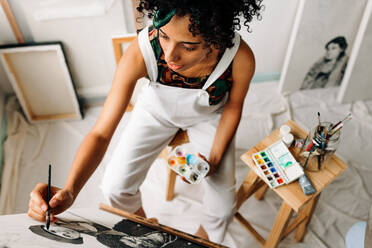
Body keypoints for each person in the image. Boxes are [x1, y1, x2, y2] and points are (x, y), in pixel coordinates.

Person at [28, 0, 262, 243]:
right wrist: (70, 190)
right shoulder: (142, 50)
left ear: (216, 38)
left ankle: (200, 242)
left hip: (210, 115)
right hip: (156, 112)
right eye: (164, 36)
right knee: (114, 188)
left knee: (223, 206)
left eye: (188, 46)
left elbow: (234, 107)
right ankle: (148, 233)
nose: (170, 55)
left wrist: (213, 160)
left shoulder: (240, 57)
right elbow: (100, 133)